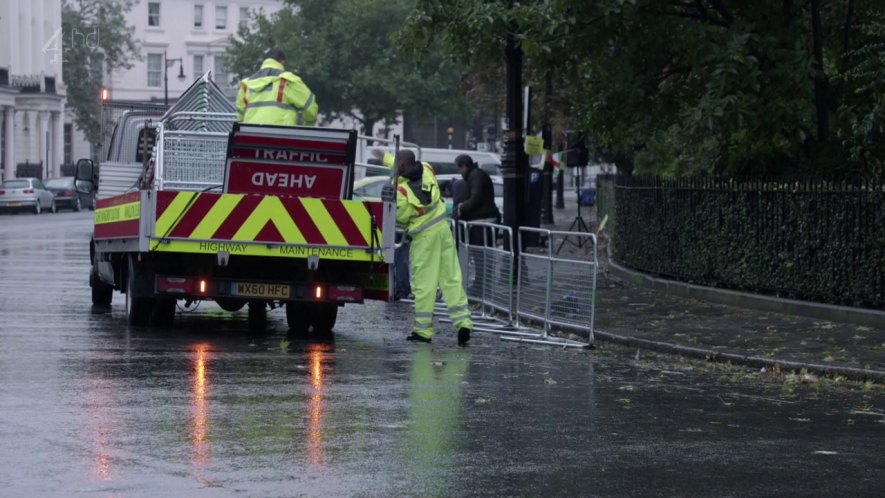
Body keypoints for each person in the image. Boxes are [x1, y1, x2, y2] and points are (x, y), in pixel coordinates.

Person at [376, 149, 474, 345]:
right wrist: (384, 157)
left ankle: (423, 331)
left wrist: (389, 200)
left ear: (402, 164)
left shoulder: (401, 191)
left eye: (396, 163)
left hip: (424, 239)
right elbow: (406, 164)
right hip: (444, 231)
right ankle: (464, 322)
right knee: (451, 279)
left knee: (424, 285)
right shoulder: (427, 168)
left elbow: (401, 219)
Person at [235, 48, 319, 127]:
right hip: (281, 134)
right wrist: (308, 125)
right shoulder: (288, 81)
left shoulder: (246, 85)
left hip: (251, 134)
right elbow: (310, 106)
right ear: (282, 62)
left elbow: (240, 117)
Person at [454, 154, 500, 293]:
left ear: (464, 166)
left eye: (459, 169)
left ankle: (482, 286)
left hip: (482, 222)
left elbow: (476, 197)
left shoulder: (476, 175)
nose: (459, 172)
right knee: (480, 256)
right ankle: (481, 285)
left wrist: (462, 207)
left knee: (481, 257)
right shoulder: (476, 175)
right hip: (481, 221)